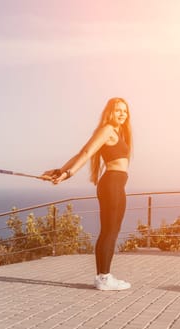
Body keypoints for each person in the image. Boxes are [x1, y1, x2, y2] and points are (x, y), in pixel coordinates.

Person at [42, 97, 133, 291]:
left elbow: (81, 153)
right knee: (110, 231)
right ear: (109, 112)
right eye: (118, 110)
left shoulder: (117, 132)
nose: (122, 113)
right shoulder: (107, 130)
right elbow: (85, 153)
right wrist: (67, 173)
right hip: (112, 184)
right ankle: (104, 278)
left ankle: (103, 277)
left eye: (125, 111)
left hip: (116, 184)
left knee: (110, 231)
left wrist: (60, 170)